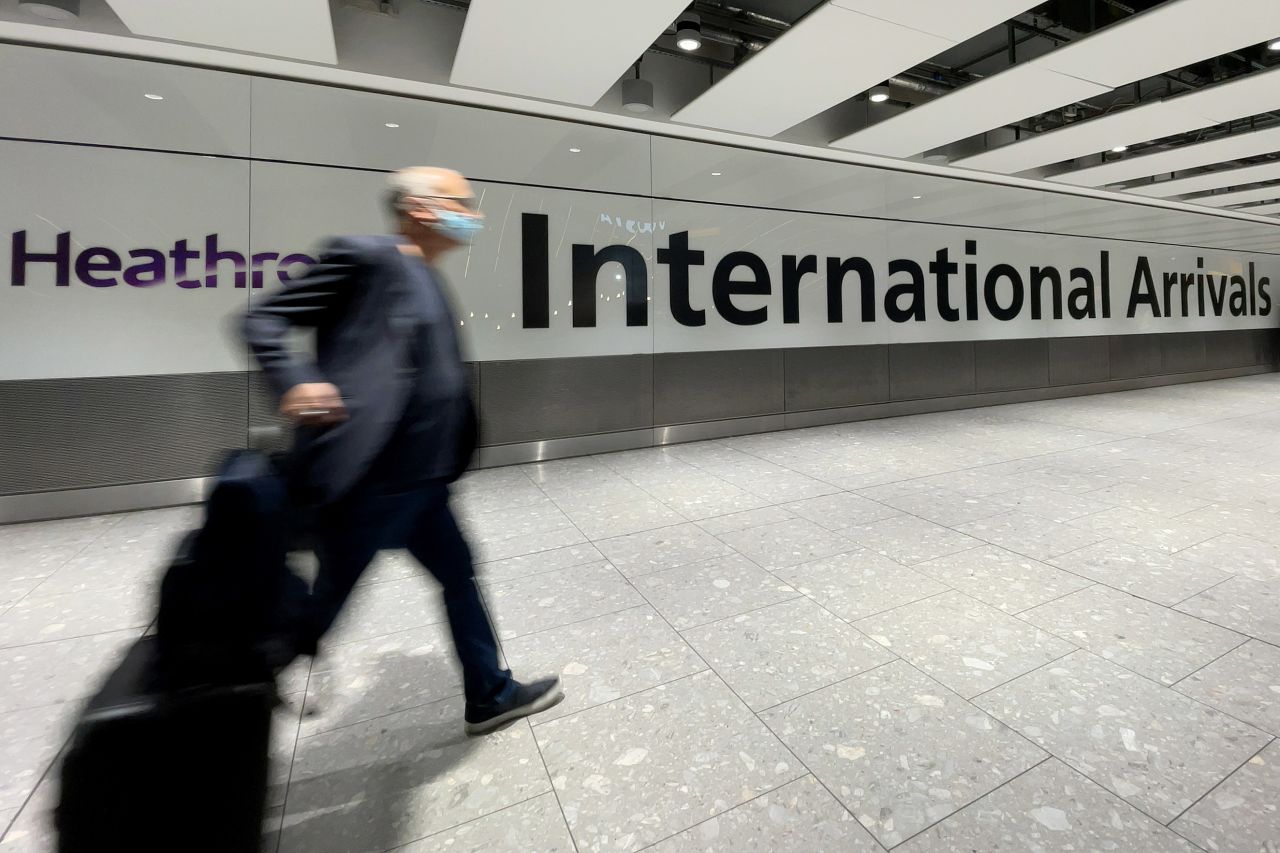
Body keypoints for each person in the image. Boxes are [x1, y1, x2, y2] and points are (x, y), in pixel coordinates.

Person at [242, 166, 563, 735]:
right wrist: (293, 380)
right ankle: (229, 696)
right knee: (323, 607)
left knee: (458, 576)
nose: (474, 215)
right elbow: (262, 318)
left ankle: (489, 693)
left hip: (425, 482)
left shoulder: (430, 275)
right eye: (462, 203)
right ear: (420, 208)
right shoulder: (362, 256)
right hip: (370, 478)